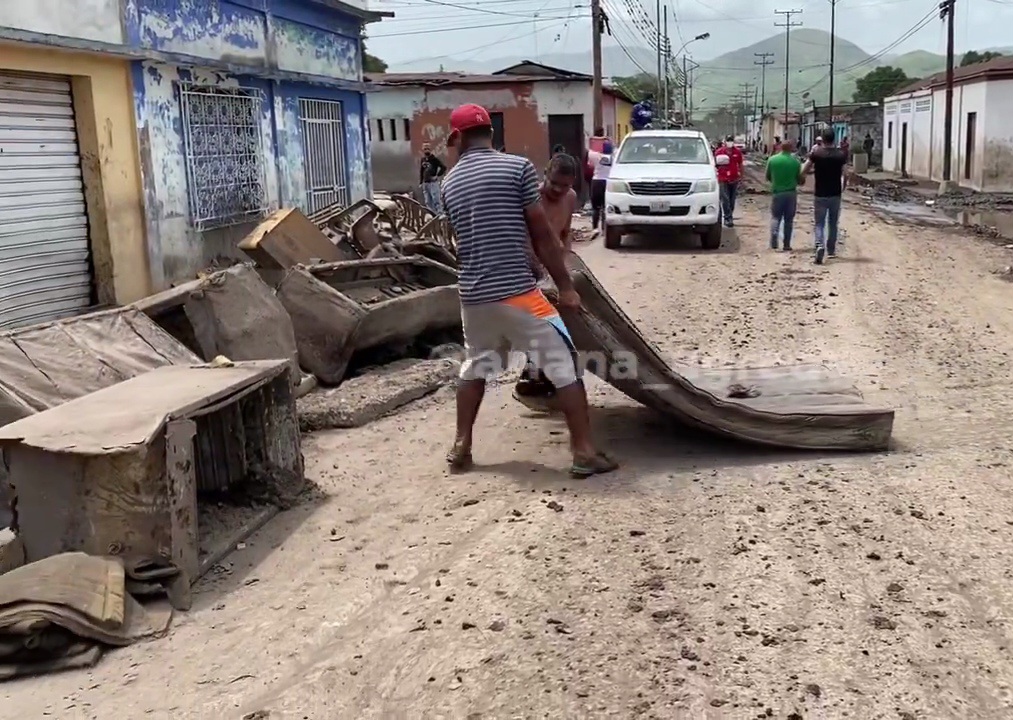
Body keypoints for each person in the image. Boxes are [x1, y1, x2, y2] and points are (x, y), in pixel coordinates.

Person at [439, 104, 616, 478]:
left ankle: (462, 444)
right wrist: (566, 287)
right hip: (518, 293)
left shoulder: (448, 183)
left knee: (476, 367)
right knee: (565, 364)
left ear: (456, 139)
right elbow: (544, 237)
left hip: (472, 296)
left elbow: (462, 240)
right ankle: (584, 452)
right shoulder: (516, 168)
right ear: (491, 133)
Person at [513, 153, 580, 413]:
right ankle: (532, 382)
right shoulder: (531, 199)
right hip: (528, 270)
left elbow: (564, 234)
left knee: (560, 326)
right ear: (545, 175)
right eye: (554, 183)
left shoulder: (571, 198)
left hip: (553, 271)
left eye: (565, 185)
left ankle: (542, 382)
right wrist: (535, 270)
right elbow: (522, 238)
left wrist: (567, 266)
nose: (559, 190)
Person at [802, 128, 848, 264]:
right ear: (834, 139)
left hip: (820, 193)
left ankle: (819, 246)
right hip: (835, 193)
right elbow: (846, 173)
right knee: (833, 223)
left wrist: (801, 177)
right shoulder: (841, 155)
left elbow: (805, 168)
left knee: (819, 223)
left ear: (823, 139)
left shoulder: (816, 153)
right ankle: (831, 250)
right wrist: (844, 186)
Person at [764, 140, 802, 251]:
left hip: (777, 193)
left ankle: (774, 240)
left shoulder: (772, 160)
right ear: (791, 148)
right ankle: (786, 244)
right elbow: (799, 179)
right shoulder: (795, 161)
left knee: (775, 217)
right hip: (791, 193)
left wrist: (776, 182)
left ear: (780, 147)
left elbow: (768, 176)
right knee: (789, 220)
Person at [713, 135, 744, 228]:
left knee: (732, 199)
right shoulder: (719, 152)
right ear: (725, 141)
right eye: (728, 140)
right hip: (723, 179)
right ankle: (728, 218)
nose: (730, 142)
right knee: (725, 199)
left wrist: (741, 176)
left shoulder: (737, 152)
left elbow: (741, 164)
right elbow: (714, 165)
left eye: (731, 140)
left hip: (734, 179)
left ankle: (729, 214)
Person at [590, 140, 613, 232]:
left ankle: (595, 228)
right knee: (605, 207)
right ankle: (604, 229)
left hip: (596, 182)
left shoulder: (596, 156)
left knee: (595, 208)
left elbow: (588, 151)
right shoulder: (614, 158)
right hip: (608, 182)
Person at [419, 143, 446, 213]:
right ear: (423, 150)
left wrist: (437, 176)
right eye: (425, 149)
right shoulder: (423, 159)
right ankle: (432, 215)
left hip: (433, 183)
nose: (426, 150)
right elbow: (421, 171)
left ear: (430, 149)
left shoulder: (434, 159)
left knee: (436, 200)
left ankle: (440, 214)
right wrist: (421, 182)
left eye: (428, 149)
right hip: (425, 183)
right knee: (428, 201)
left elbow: (443, 167)